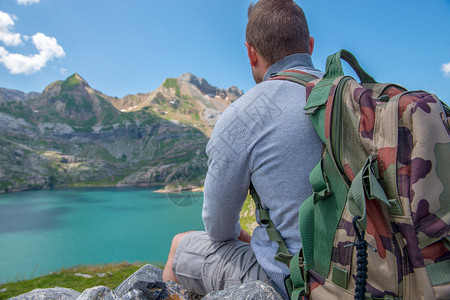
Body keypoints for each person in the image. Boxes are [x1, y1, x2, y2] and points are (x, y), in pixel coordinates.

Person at [163, 0, 322, 298]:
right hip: (387, 273)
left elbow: (218, 230)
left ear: (250, 52)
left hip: (301, 285)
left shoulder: (241, 115)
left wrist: (255, 240)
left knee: (179, 246)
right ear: (310, 46)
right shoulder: (359, 96)